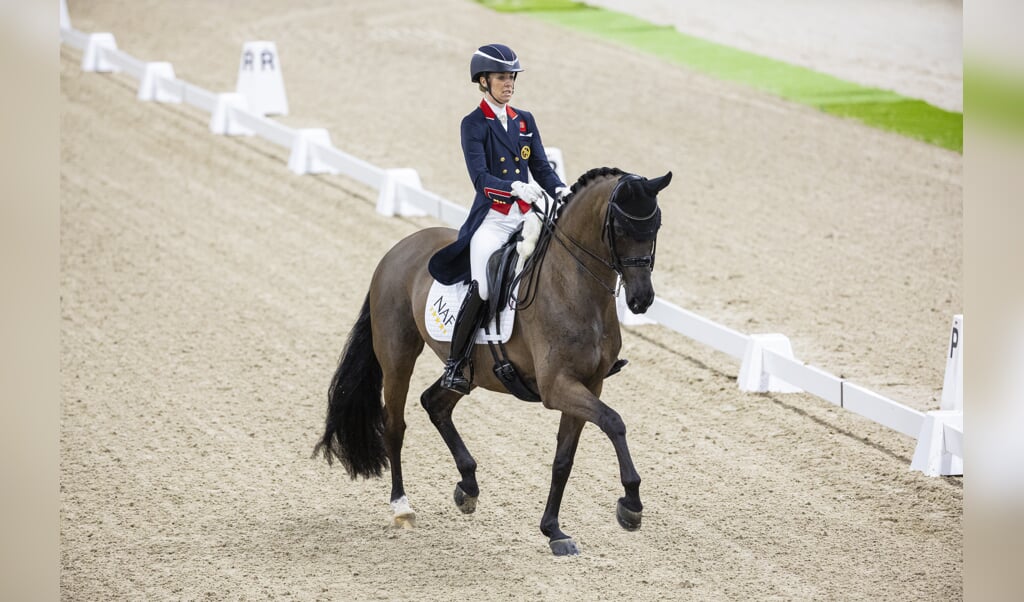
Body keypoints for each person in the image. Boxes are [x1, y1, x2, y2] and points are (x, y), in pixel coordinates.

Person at [428, 43, 569, 394]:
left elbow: (540, 166)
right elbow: (479, 177)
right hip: (493, 218)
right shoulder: (473, 124)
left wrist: (562, 191)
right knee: (485, 286)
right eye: (502, 78)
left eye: (511, 77)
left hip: (526, 216)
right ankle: (456, 365)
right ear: (483, 81)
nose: (509, 83)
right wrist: (514, 188)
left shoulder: (524, 120)